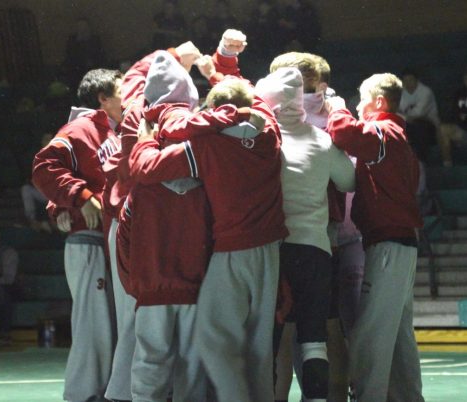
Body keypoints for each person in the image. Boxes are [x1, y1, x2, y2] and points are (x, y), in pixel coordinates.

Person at [128, 73, 288, 402]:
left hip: (233, 250)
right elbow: (253, 103)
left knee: (212, 339)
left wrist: (145, 137)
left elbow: (145, 168)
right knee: (259, 345)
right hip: (272, 250)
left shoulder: (208, 145)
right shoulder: (270, 133)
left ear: (212, 112)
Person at [103, 40, 202, 402]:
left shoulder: (134, 116)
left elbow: (139, 82)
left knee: (140, 328)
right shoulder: (196, 125)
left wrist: (172, 59)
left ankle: (124, 394)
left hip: (138, 227)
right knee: (179, 343)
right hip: (166, 232)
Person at [255, 66, 355, 402]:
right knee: (315, 339)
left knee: (271, 336)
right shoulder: (322, 140)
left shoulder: (263, 142)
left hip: (276, 251)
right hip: (316, 250)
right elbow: (349, 181)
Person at [326, 73, 425, 402]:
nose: (357, 105)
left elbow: (342, 133)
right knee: (398, 336)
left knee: (370, 334)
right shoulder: (401, 139)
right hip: (403, 243)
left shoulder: (383, 131)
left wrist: (336, 107)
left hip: (388, 244)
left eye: (361, 99)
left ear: (379, 102)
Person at [32, 68, 122, 402]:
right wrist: (78, 198)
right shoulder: (80, 128)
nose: (128, 96)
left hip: (110, 241)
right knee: (94, 327)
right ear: (103, 98)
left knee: (110, 326)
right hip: (90, 241)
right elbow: (44, 167)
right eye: (122, 89)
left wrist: (60, 205)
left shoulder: (111, 131)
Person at [399, 69, 440, 163]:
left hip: (429, 123)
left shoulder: (426, 92)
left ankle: (421, 160)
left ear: (417, 80)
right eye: (405, 81)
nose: (408, 83)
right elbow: (396, 110)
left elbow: (419, 113)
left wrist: (404, 116)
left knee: (420, 127)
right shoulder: (401, 92)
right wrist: (405, 117)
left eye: (410, 80)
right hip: (408, 123)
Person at [0, 222, 19, 346]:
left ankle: (5, 334)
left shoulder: (8, 252)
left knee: (2, 292)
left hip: (7, 288)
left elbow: (9, 277)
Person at [439, 68, 467, 166]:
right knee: (442, 129)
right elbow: (456, 114)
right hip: (462, 131)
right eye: (466, 78)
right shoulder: (459, 94)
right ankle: (447, 165)